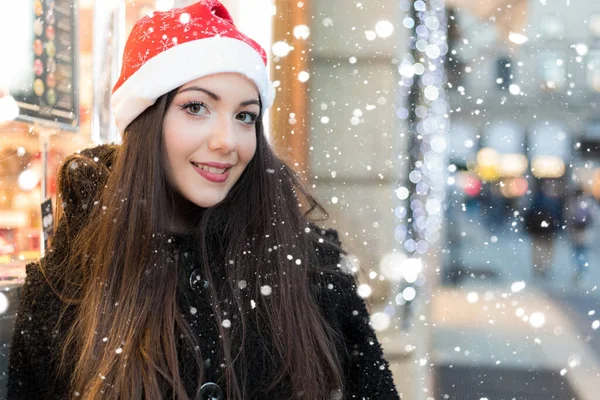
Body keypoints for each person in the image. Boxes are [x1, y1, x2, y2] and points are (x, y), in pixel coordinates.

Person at [7, 1, 399, 399]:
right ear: (146, 120)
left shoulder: (312, 269)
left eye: (245, 116)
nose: (227, 140)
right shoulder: (66, 286)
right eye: (196, 107)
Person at [524, 179, 564, 279]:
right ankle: (543, 267)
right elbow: (558, 214)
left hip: (540, 229)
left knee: (539, 248)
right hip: (548, 228)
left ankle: (539, 267)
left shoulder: (537, 198)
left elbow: (530, 213)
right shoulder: (553, 199)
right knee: (546, 248)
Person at [566, 187, 594, 283]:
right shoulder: (588, 202)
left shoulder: (572, 202)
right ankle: (581, 269)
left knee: (576, 251)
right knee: (583, 251)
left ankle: (577, 269)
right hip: (584, 231)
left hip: (575, 231)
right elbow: (593, 216)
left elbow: (568, 216)